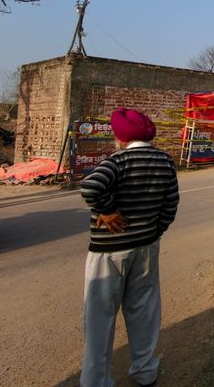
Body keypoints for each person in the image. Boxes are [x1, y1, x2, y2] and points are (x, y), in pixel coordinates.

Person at [79, 107, 180, 387]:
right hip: (146, 246)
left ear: (120, 137)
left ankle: (96, 381)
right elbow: (170, 205)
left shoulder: (117, 161)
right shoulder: (165, 161)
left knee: (100, 316)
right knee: (144, 310)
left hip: (107, 252)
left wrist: (108, 209)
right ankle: (145, 371)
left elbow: (90, 187)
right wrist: (154, 232)